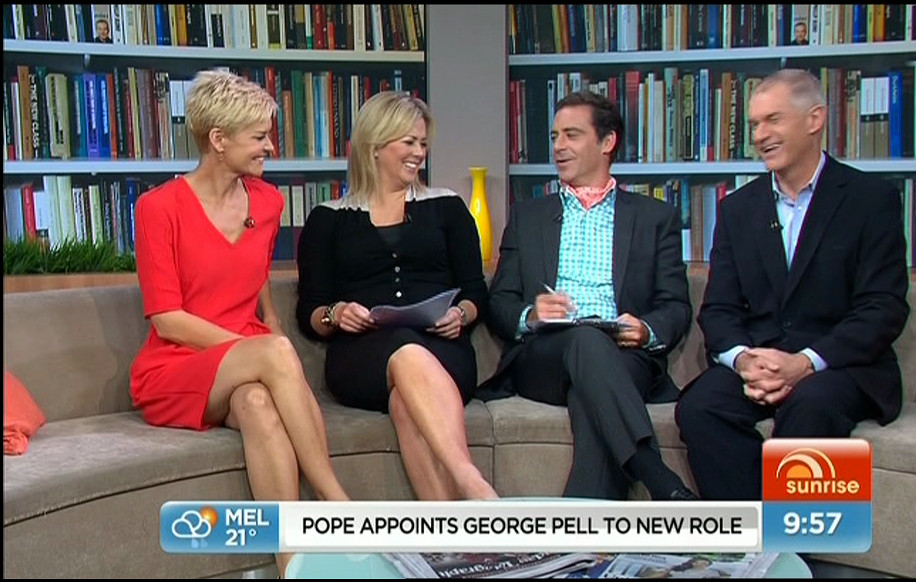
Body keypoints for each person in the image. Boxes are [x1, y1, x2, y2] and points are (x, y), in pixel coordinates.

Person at [129, 70, 350, 577]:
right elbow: (167, 320)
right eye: (259, 137)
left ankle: (292, 565)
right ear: (218, 140)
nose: (270, 147)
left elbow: (255, 274)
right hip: (177, 365)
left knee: (256, 404)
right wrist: (258, 350)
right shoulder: (158, 208)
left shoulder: (268, 202)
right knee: (273, 355)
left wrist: (270, 323)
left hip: (244, 360)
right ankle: (337, 502)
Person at [675, 69, 910, 500]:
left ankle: (797, 537)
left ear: (814, 119)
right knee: (700, 407)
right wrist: (743, 360)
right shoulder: (738, 209)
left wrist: (805, 362)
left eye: (773, 120)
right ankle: (750, 533)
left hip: (839, 365)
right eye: (754, 125)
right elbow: (720, 309)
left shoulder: (870, 199)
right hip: (762, 359)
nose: (760, 135)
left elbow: (883, 308)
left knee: (811, 406)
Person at [479, 90, 697, 501]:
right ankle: (657, 476)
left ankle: (579, 534)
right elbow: (499, 301)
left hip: (624, 355)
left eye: (572, 135)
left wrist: (646, 329)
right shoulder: (528, 216)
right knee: (584, 339)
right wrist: (531, 315)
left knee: (590, 394)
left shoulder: (654, 218)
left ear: (607, 141)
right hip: (546, 356)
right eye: (555, 136)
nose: (558, 147)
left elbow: (675, 304)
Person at [295, 91, 497, 501]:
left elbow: (476, 291)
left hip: (443, 348)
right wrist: (336, 313)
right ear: (375, 146)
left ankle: (450, 532)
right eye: (408, 142)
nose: (419, 153)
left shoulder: (447, 207)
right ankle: (471, 482)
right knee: (405, 351)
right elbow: (310, 310)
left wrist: (461, 314)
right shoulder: (327, 219)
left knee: (406, 404)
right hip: (362, 355)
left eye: (423, 143)